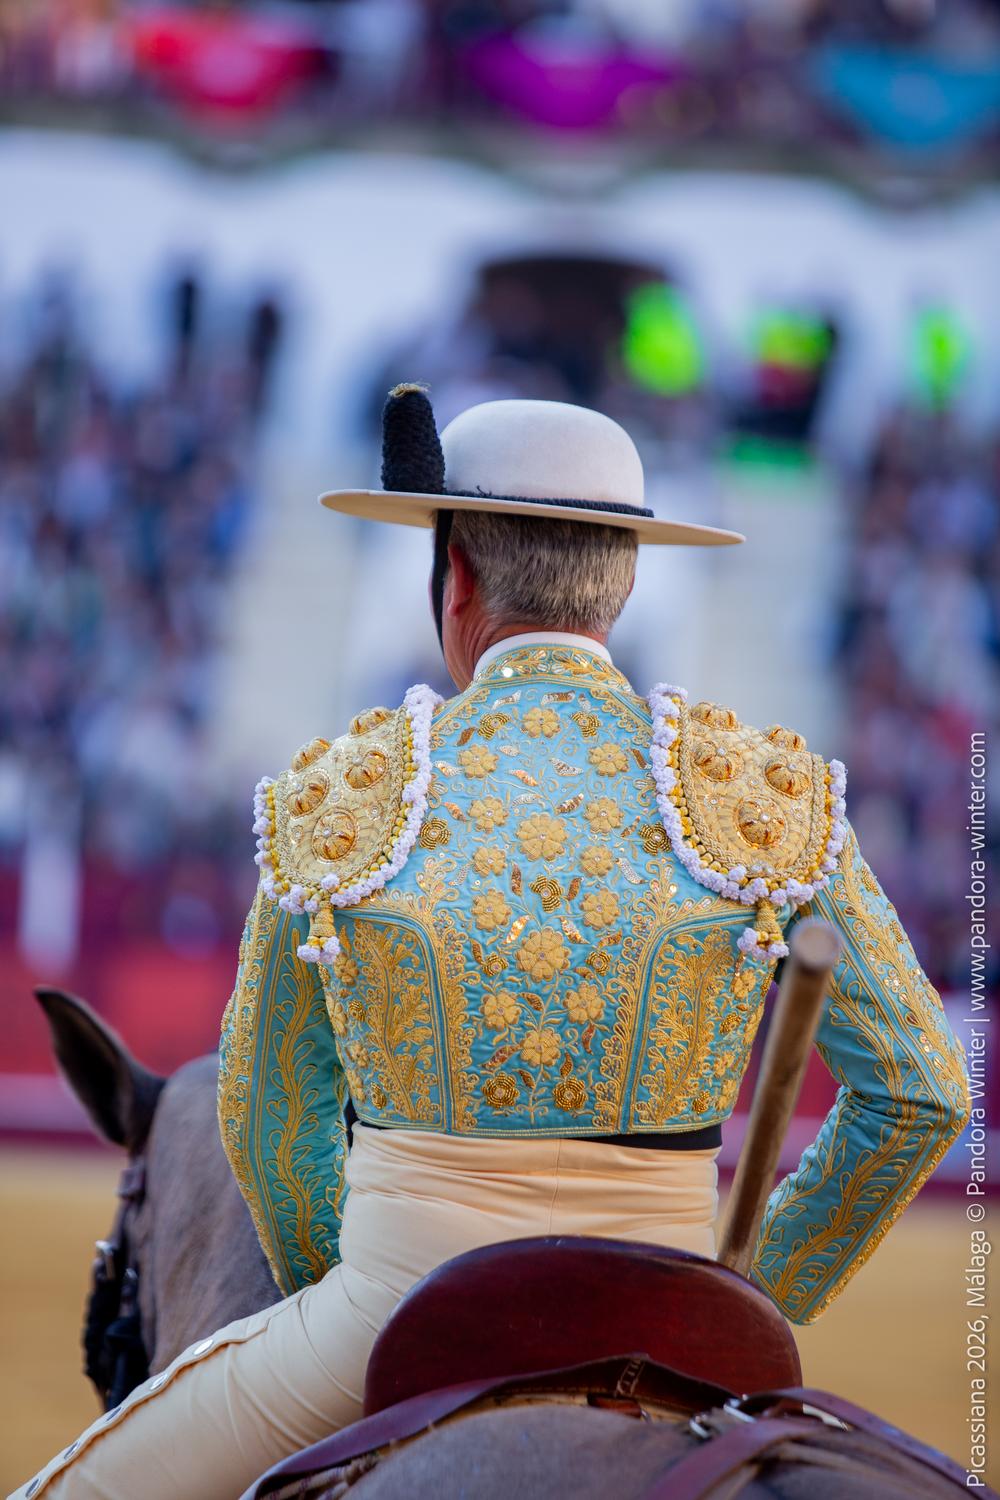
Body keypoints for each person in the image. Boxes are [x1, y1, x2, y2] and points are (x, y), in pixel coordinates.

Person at [16, 388, 970, 1500]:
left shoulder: (345, 795)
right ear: (622, 578)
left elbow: (271, 1132)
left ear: (454, 576)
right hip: (675, 1312)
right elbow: (920, 1092)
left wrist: (368, 1300)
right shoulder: (757, 793)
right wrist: (747, 1288)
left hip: (392, 1310)